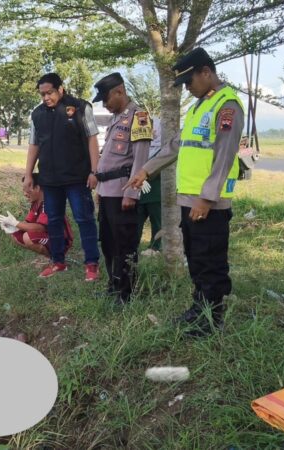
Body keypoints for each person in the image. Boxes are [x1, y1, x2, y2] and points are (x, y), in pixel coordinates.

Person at [125, 47, 245, 336]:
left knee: (210, 261)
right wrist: (146, 169)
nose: (188, 88)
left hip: (208, 204)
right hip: (188, 199)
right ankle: (198, 308)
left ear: (206, 72)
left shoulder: (228, 106)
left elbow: (225, 154)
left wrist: (207, 197)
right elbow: (177, 146)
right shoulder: (198, 107)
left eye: (189, 81)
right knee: (196, 258)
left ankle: (211, 320)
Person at [23, 72, 101, 281]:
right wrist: (28, 173)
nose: (46, 98)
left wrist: (95, 171)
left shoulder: (80, 107)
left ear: (61, 89)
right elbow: (34, 145)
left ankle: (92, 264)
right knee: (54, 220)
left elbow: (92, 139)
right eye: (42, 94)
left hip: (77, 177)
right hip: (50, 179)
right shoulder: (37, 115)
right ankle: (58, 262)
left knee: (84, 218)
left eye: (50, 93)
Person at [92, 73, 151, 304]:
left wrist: (132, 193)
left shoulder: (140, 117)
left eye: (106, 99)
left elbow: (140, 159)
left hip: (123, 193)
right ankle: (113, 285)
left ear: (119, 91)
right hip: (108, 192)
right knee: (108, 242)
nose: (105, 105)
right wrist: (100, 190)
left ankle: (126, 293)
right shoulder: (116, 119)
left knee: (124, 245)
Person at [0, 173, 73, 257]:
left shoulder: (49, 204)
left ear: (37, 188)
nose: (25, 194)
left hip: (61, 240)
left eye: (26, 190)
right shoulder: (36, 203)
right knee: (16, 235)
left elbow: (40, 228)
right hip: (49, 236)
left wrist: (15, 223)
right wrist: (14, 227)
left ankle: (57, 259)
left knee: (28, 237)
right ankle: (51, 258)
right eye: (23, 190)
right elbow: (27, 223)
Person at [136, 116, 163, 253]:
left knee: (157, 220)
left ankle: (156, 247)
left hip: (156, 190)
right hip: (139, 190)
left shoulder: (163, 148)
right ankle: (133, 244)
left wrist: (147, 175)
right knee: (137, 219)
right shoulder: (141, 146)